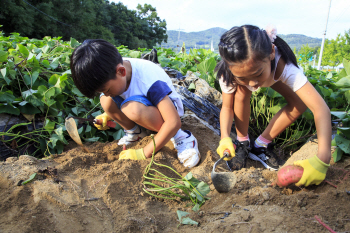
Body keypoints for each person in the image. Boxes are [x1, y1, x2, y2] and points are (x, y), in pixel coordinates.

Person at [215, 25, 331, 186]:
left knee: (299, 103)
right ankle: (242, 142)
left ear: (272, 52)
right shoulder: (228, 73)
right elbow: (227, 108)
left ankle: (261, 145)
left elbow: (320, 108)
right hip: (258, 77)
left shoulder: (285, 67)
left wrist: (323, 160)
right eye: (243, 77)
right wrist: (225, 138)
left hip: (274, 75)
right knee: (241, 93)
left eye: (257, 74)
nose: (253, 83)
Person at [70, 39, 200, 168]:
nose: (107, 93)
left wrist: (144, 152)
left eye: (107, 89)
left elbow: (173, 121)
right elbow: (114, 94)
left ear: (121, 72)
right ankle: (135, 133)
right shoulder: (112, 69)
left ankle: (181, 137)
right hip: (142, 106)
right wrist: (107, 113)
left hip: (169, 112)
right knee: (105, 100)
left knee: (132, 109)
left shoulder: (148, 80)